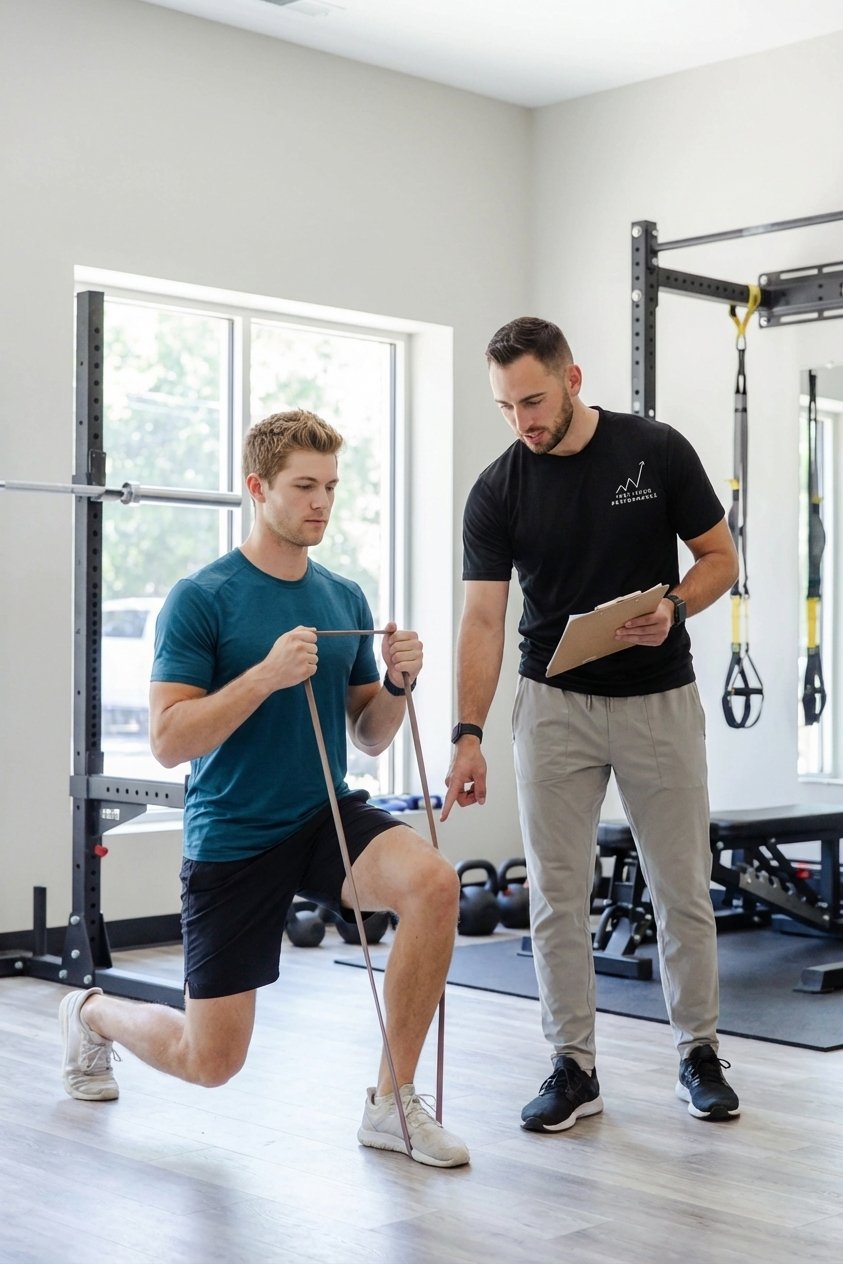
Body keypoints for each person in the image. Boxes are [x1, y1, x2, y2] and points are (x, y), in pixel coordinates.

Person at [59, 408, 469, 1169]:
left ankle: (391, 1104)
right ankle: (92, 1013)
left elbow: (369, 735)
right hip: (236, 832)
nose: (322, 502)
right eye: (304, 486)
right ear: (258, 487)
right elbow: (169, 740)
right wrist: (264, 676)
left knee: (434, 883)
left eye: (331, 487)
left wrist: (397, 683)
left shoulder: (343, 596)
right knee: (210, 1060)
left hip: (322, 816)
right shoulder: (202, 597)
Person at [441, 316, 740, 1131]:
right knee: (555, 895)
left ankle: (698, 1054)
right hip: (552, 707)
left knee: (681, 887)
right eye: (505, 407)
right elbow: (481, 620)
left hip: (657, 699)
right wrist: (466, 734)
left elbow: (719, 559)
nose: (521, 421)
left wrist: (673, 605)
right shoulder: (498, 489)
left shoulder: (655, 451)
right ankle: (572, 1067)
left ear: (571, 380)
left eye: (532, 401)